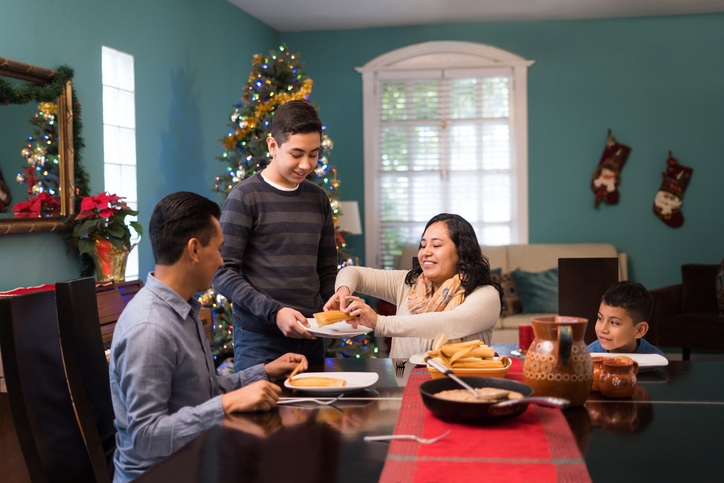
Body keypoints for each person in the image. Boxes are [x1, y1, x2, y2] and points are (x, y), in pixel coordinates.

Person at [109, 191, 307, 483]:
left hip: (193, 462)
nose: (221, 260)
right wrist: (227, 404)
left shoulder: (182, 309)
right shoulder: (150, 329)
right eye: (218, 249)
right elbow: (146, 438)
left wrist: (264, 373)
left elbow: (199, 392)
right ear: (194, 250)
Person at [212, 100, 338, 372]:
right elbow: (221, 272)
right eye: (296, 154)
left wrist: (338, 300)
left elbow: (327, 270)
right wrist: (275, 312)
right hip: (260, 341)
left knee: (313, 415)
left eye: (314, 154)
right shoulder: (244, 197)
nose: (306, 164)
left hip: (312, 336)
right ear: (272, 146)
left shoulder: (319, 199)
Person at [323, 213, 502, 359]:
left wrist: (380, 322)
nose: (426, 252)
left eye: (437, 245)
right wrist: (343, 291)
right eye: (423, 245)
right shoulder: (408, 284)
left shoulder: (485, 294)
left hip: (461, 390)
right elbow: (353, 272)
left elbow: (450, 324)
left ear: (462, 252)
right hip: (403, 386)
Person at [587, 281, 666, 356]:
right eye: (600, 318)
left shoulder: (656, 360)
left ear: (639, 330)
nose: (602, 329)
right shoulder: (587, 357)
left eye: (614, 322)